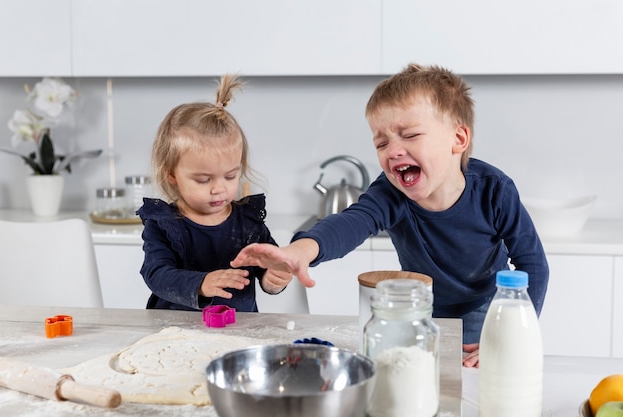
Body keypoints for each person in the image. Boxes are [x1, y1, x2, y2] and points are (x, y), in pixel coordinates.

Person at [231, 64, 549, 367]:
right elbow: (352, 222)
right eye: (381, 142)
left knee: (478, 378)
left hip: (485, 306)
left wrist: (515, 335)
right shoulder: (391, 194)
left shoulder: (495, 191)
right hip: (417, 306)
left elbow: (533, 263)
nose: (393, 150)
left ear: (458, 139)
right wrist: (300, 250)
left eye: (409, 135)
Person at [137, 74, 292, 312]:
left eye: (230, 176)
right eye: (203, 179)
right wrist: (201, 283)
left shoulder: (248, 222)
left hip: (237, 333)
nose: (219, 188)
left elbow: (268, 267)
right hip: (174, 335)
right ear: (171, 174)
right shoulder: (164, 225)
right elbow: (156, 274)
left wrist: (273, 280)